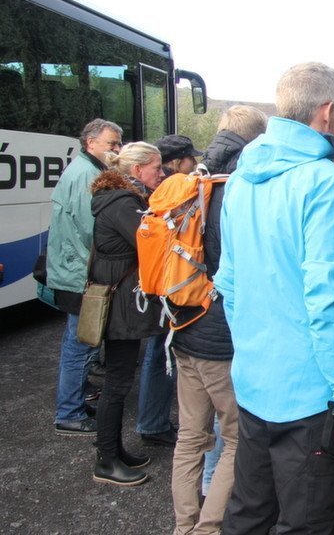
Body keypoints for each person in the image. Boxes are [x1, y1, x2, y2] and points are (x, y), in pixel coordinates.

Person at [216, 63, 334, 533]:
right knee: (306, 524)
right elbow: (331, 306)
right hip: (309, 398)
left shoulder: (240, 180)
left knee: (247, 513)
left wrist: (252, 354)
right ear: (326, 112)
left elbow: (229, 285)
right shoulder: (329, 184)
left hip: (253, 383)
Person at [169, 105, 267, 535]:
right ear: (256, 140)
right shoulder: (242, 189)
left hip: (182, 324)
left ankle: (183, 526)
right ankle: (208, 529)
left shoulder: (192, 180)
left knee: (190, 437)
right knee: (235, 438)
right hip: (221, 335)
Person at [89, 142, 167, 486]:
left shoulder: (118, 199)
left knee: (118, 381)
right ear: (137, 171)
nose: (161, 174)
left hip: (117, 299)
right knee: (117, 383)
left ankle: (114, 450)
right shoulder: (124, 203)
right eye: (156, 168)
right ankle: (106, 461)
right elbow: (150, 244)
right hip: (120, 304)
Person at [48, 119, 121, 436]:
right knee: (81, 345)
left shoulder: (86, 170)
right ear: (91, 143)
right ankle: (69, 413)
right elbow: (93, 230)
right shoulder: (87, 176)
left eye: (118, 144)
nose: (117, 149)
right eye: (112, 144)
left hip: (75, 271)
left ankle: (73, 403)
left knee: (78, 343)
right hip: (80, 274)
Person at [134, 133, 202, 448]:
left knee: (156, 352)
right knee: (161, 354)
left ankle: (152, 421)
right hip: (171, 286)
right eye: (190, 158)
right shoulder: (175, 192)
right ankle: (153, 423)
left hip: (156, 285)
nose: (194, 163)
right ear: (177, 162)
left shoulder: (155, 193)